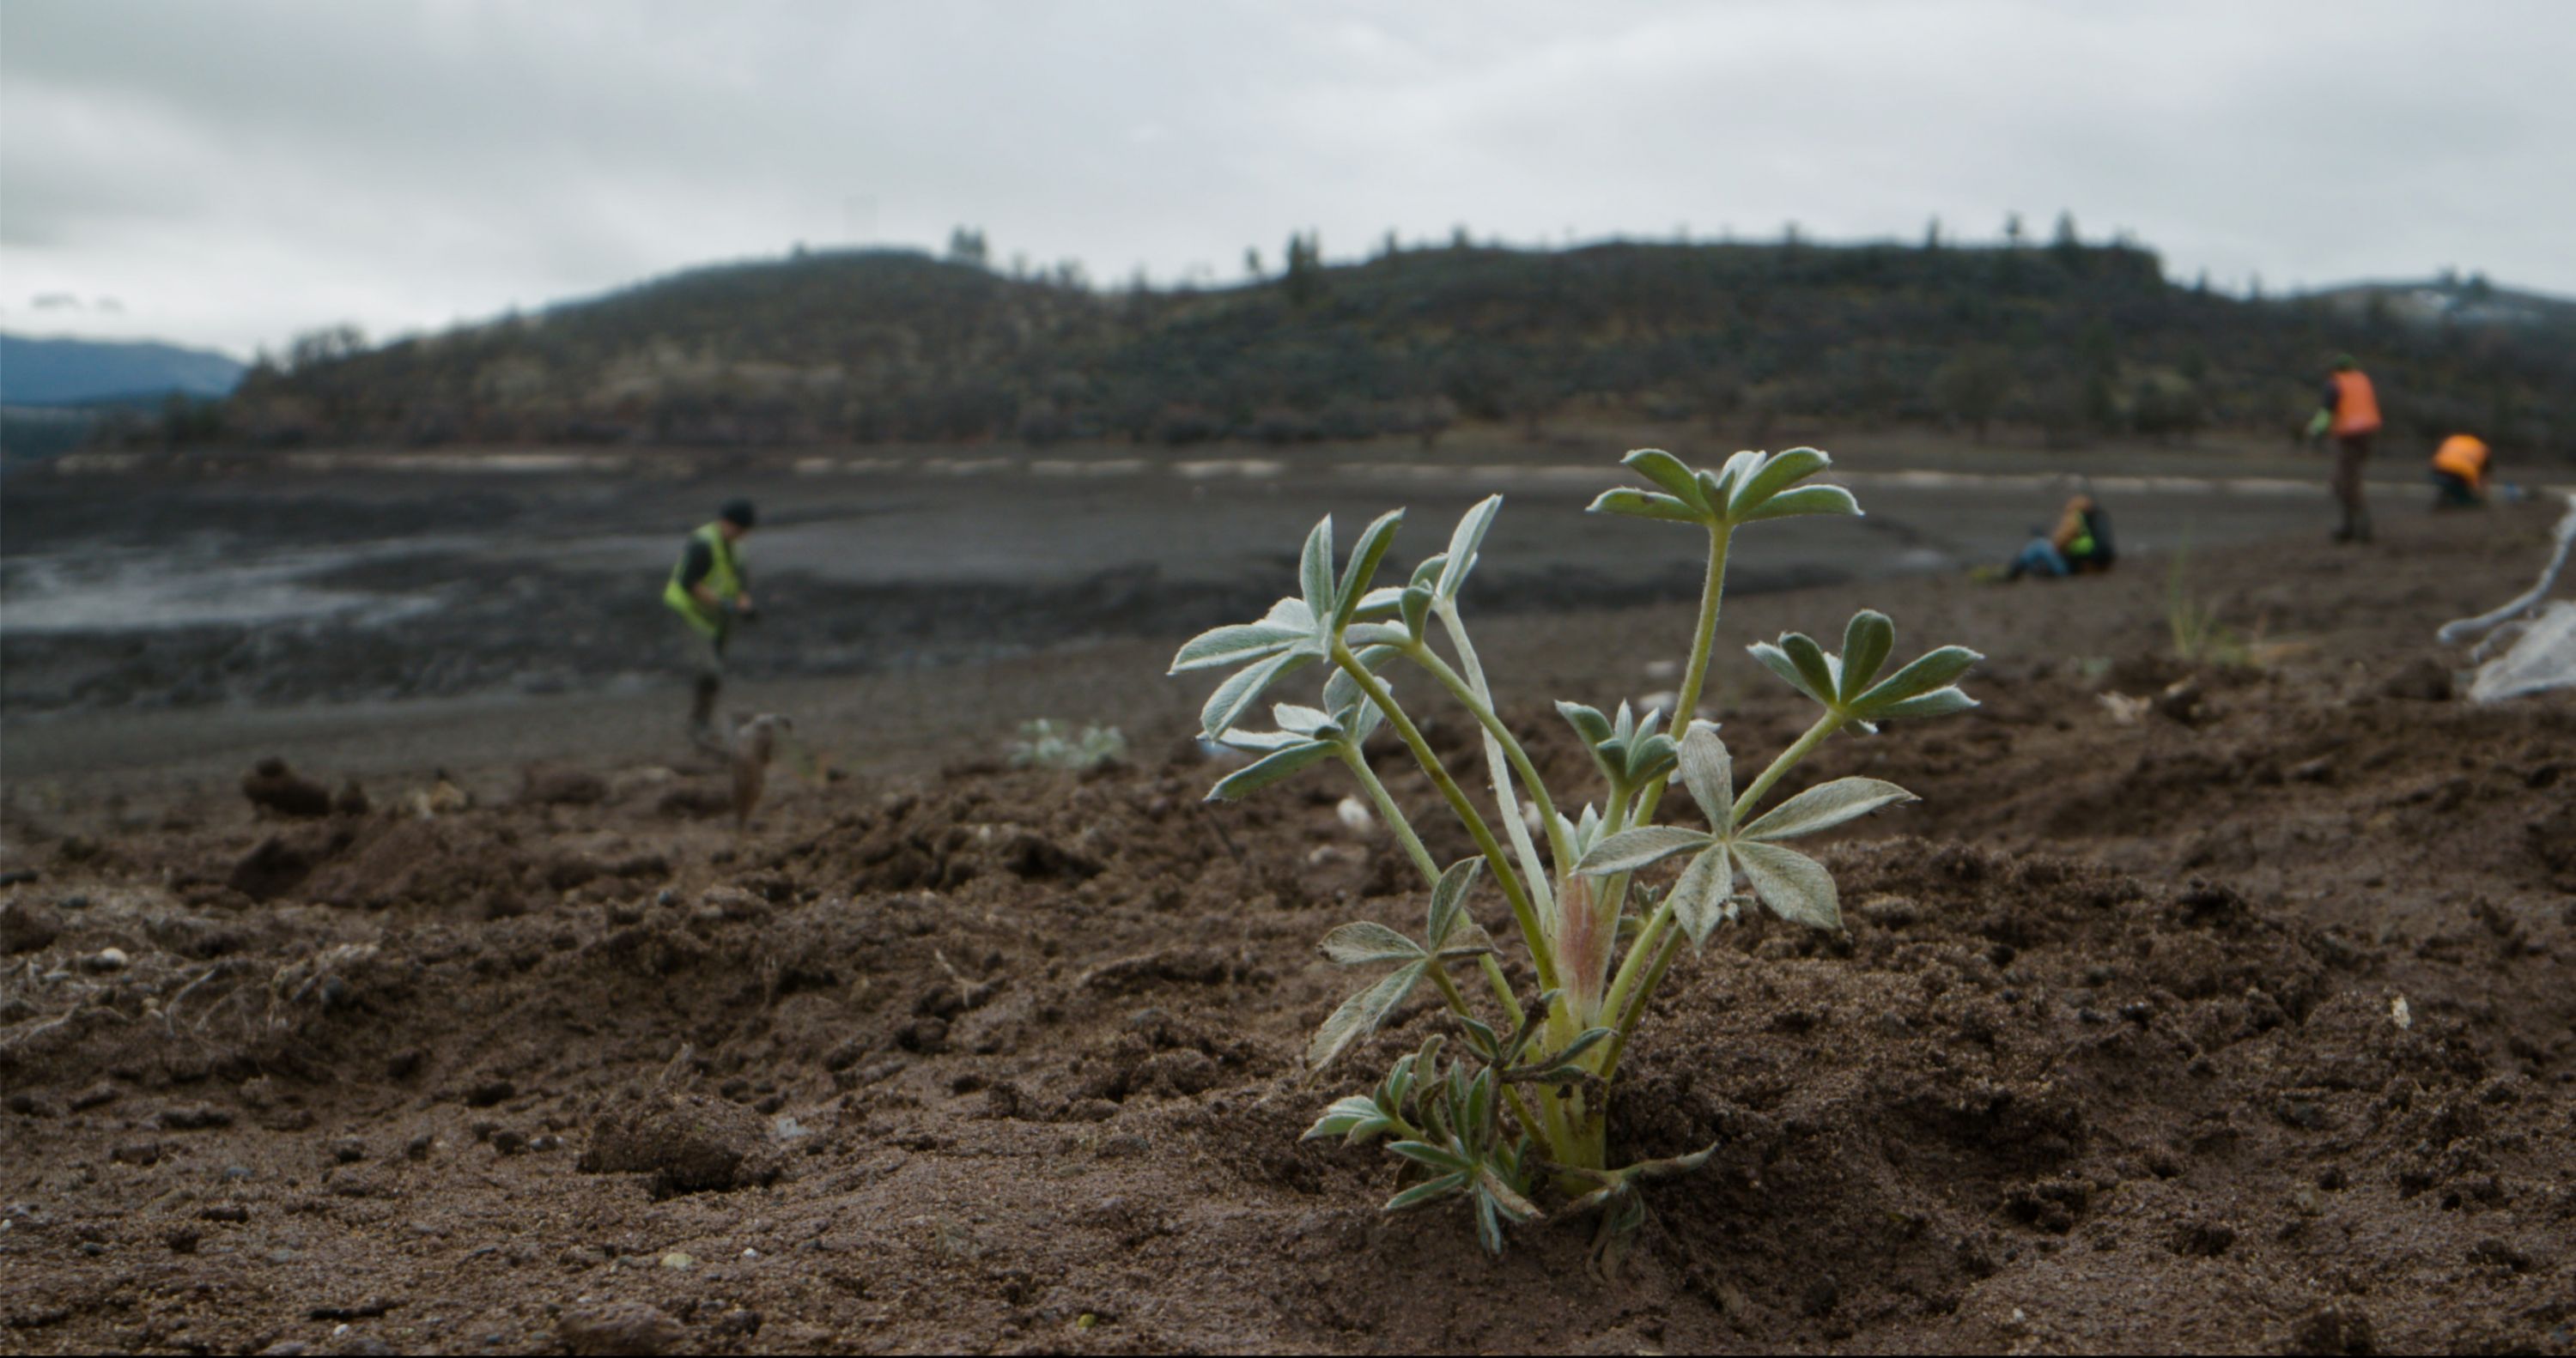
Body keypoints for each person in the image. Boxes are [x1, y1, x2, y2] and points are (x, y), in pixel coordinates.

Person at [664, 499, 758, 749]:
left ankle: (701, 725)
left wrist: (745, 604)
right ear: (726, 523)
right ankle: (699, 727)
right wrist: (723, 604)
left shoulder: (737, 548)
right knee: (709, 671)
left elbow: (741, 582)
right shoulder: (703, 544)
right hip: (691, 613)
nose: (741, 536)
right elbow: (688, 582)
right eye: (739, 530)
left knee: (713, 676)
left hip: (717, 619)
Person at [2306, 355, 2381, 543]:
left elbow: (2326, 413)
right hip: (2366, 436)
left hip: (2348, 438)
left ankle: (2362, 528)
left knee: (2346, 483)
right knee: (2345, 481)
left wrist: (2314, 431)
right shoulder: (2363, 381)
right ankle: (2350, 527)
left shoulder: (2335, 384)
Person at [2003, 492, 2115, 580]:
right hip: (2088, 568)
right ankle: (2029, 569)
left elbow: (2059, 544)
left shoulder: (2075, 519)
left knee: (2038, 545)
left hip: (2069, 568)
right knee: (2041, 550)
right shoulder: (2093, 523)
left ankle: (2013, 570)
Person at [2429, 433, 2491, 509]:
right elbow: (2484, 472)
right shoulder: (2481, 447)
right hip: (2461, 473)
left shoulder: (2453, 439)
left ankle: (2449, 498)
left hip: (2438, 469)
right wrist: (2480, 491)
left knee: (2453, 485)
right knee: (2464, 493)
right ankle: (2463, 501)